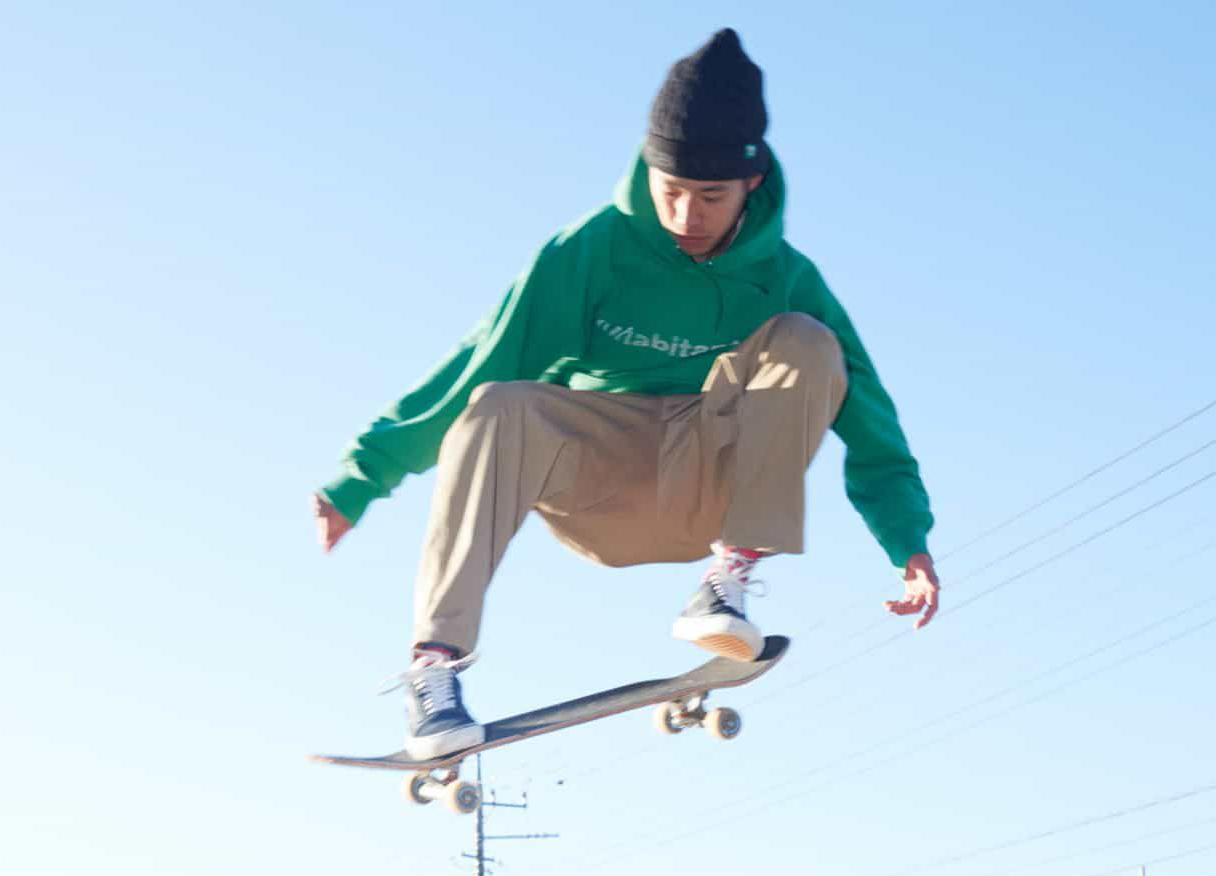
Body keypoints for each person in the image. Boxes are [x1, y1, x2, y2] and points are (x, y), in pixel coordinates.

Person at [312, 28, 940, 757]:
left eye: (710, 197)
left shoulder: (789, 279)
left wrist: (908, 543)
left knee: (807, 341)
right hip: (595, 484)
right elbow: (475, 365)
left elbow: (869, 419)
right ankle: (435, 670)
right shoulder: (589, 251)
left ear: (753, 183)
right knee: (496, 405)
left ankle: (729, 578)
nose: (686, 218)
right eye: (670, 192)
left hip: (708, 485)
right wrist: (362, 477)